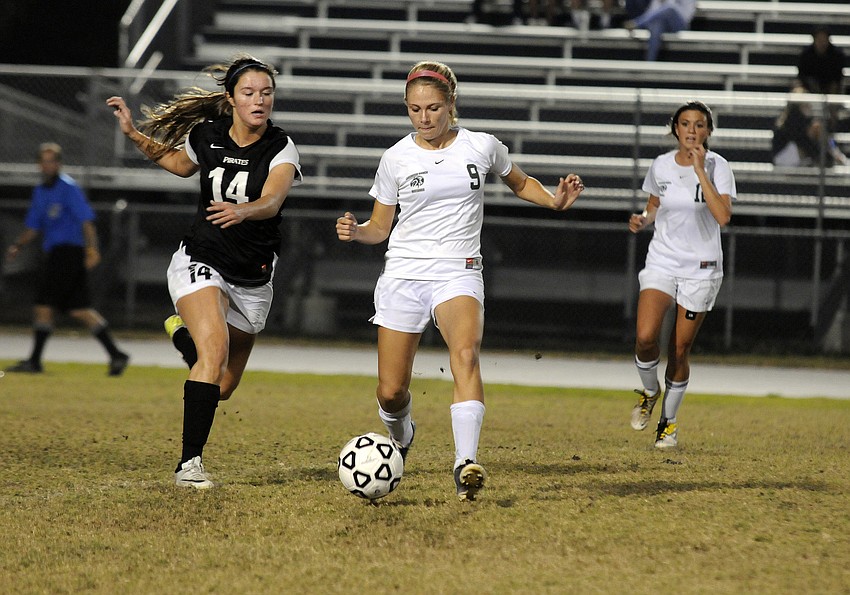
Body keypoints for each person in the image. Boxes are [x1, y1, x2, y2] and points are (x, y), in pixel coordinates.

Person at [335, 60, 584, 500]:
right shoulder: (395, 158)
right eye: (414, 109)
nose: (424, 118)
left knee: (465, 355)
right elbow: (380, 226)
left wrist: (554, 201)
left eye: (433, 108)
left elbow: (521, 182)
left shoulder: (482, 146)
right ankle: (403, 432)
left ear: (452, 104)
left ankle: (465, 462)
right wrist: (358, 233)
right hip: (404, 274)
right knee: (391, 391)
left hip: (458, 269)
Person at [106, 54, 303, 489]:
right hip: (201, 258)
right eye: (249, 93)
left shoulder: (280, 146)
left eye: (266, 93)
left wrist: (244, 211)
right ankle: (189, 465)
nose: (259, 100)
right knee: (212, 354)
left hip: (253, 275)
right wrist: (133, 134)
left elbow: (272, 200)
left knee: (224, 384)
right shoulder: (207, 135)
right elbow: (179, 165)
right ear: (231, 99)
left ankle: (181, 333)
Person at [627, 101, 736, 449]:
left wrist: (700, 170)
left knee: (679, 349)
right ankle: (649, 390)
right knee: (645, 336)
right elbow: (655, 204)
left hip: (701, 268)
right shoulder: (660, 165)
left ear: (708, 131)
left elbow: (723, 216)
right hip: (663, 260)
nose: (692, 130)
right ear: (675, 128)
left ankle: (668, 423)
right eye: (686, 124)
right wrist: (643, 219)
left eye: (700, 125)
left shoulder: (718, 166)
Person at [4, 143, 129, 376]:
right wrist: (18, 245)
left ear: (58, 164)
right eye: (44, 161)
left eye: (52, 161)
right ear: (39, 164)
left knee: (44, 305)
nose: (48, 165)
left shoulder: (68, 188)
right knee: (79, 309)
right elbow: (33, 225)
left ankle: (34, 361)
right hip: (56, 254)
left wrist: (92, 250)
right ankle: (116, 354)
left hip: (68, 253)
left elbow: (86, 222)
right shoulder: (41, 191)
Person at [772, 84, 847, 168]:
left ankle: (834, 157)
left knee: (821, 132)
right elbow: (798, 142)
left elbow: (817, 142)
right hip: (783, 160)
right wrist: (810, 134)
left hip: (805, 160)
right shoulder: (785, 124)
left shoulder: (809, 123)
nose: (809, 108)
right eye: (805, 105)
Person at [624, 0, 697, 61]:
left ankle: (637, 23)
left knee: (669, 9)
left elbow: (687, 16)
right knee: (656, 27)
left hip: (680, 23)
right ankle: (649, 63)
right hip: (662, 23)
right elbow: (652, 12)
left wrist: (666, 5)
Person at [797, 25, 846, 96]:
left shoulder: (837, 55)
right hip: (809, 87)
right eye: (819, 39)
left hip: (832, 87)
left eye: (824, 39)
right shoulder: (806, 54)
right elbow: (802, 75)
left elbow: (838, 76)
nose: (822, 42)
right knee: (798, 91)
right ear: (814, 39)